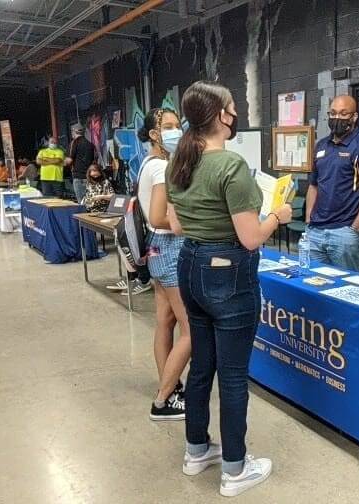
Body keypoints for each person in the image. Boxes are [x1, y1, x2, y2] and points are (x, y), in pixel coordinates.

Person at [167, 81, 292, 497]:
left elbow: (178, 224)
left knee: (202, 365)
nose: (236, 115)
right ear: (221, 116)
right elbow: (252, 238)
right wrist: (278, 214)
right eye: (233, 108)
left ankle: (196, 450)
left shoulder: (177, 163)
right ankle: (236, 469)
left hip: (190, 265)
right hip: (228, 273)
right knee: (234, 375)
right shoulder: (230, 166)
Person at [135, 107, 191, 421]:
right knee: (192, 329)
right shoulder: (162, 169)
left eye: (177, 125)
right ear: (154, 135)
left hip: (156, 249)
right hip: (169, 248)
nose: (175, 131)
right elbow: (159, 217)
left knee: (165, 321)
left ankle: (169, 386)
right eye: (168, 127)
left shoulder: (150, 164)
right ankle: (163, 399)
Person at [305, 95, 359, 270]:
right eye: (332, 113)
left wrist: (355, 228)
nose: (337, 118)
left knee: (342, 288)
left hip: (344, 233)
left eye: (343, 113)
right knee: (312, 285)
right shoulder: (321, 146)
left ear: (354, 117)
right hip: (315, 231)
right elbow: (313, 185)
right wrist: (309, 218)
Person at [66, 124, 95, 203]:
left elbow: (69, 160)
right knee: (90, 201)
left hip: (78, 177)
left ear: (74, 131)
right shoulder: (90, 144)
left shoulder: (74, 143)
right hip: (89, 177)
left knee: (81, 202)